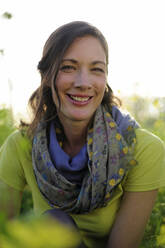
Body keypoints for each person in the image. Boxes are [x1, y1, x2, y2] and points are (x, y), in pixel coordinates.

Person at [0, 21, 165, 248]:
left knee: (54, 222)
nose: (83, 83)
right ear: (47, 76)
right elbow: (4, 236)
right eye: (68, 67)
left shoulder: (142, 148)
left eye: (96, 69)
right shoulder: (21, 146)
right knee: (54, 222)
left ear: (105, 78)